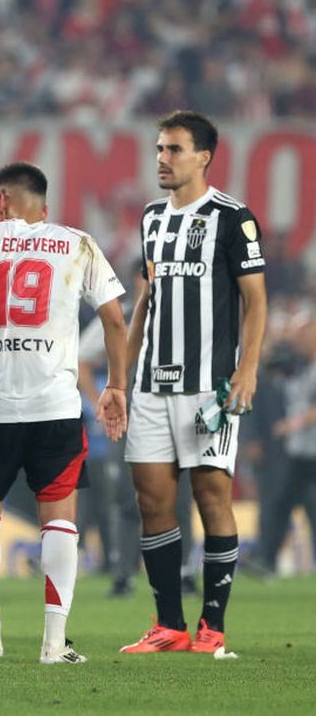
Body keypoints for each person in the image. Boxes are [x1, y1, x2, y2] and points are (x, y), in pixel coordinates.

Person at [0, 162, 128, 665]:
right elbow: (115, 322)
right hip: (55, 406)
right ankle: (54, 644)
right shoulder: (77, 242)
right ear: (43, 208)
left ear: (1, 200)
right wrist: (115, 386)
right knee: (59, 521)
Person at [120, 111, 267, 656]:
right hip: (151, 387)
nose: (162, 158)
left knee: (211, 496)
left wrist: (247, 369)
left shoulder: (233, 218)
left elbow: (255, 301)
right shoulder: (152, 218)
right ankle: (169, 625)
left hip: (210, 388)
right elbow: (146, 300)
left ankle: (212, 627)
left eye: (174, 149)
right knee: (152, 501)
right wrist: (121, 377)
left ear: (203, 156)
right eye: (159, 148)